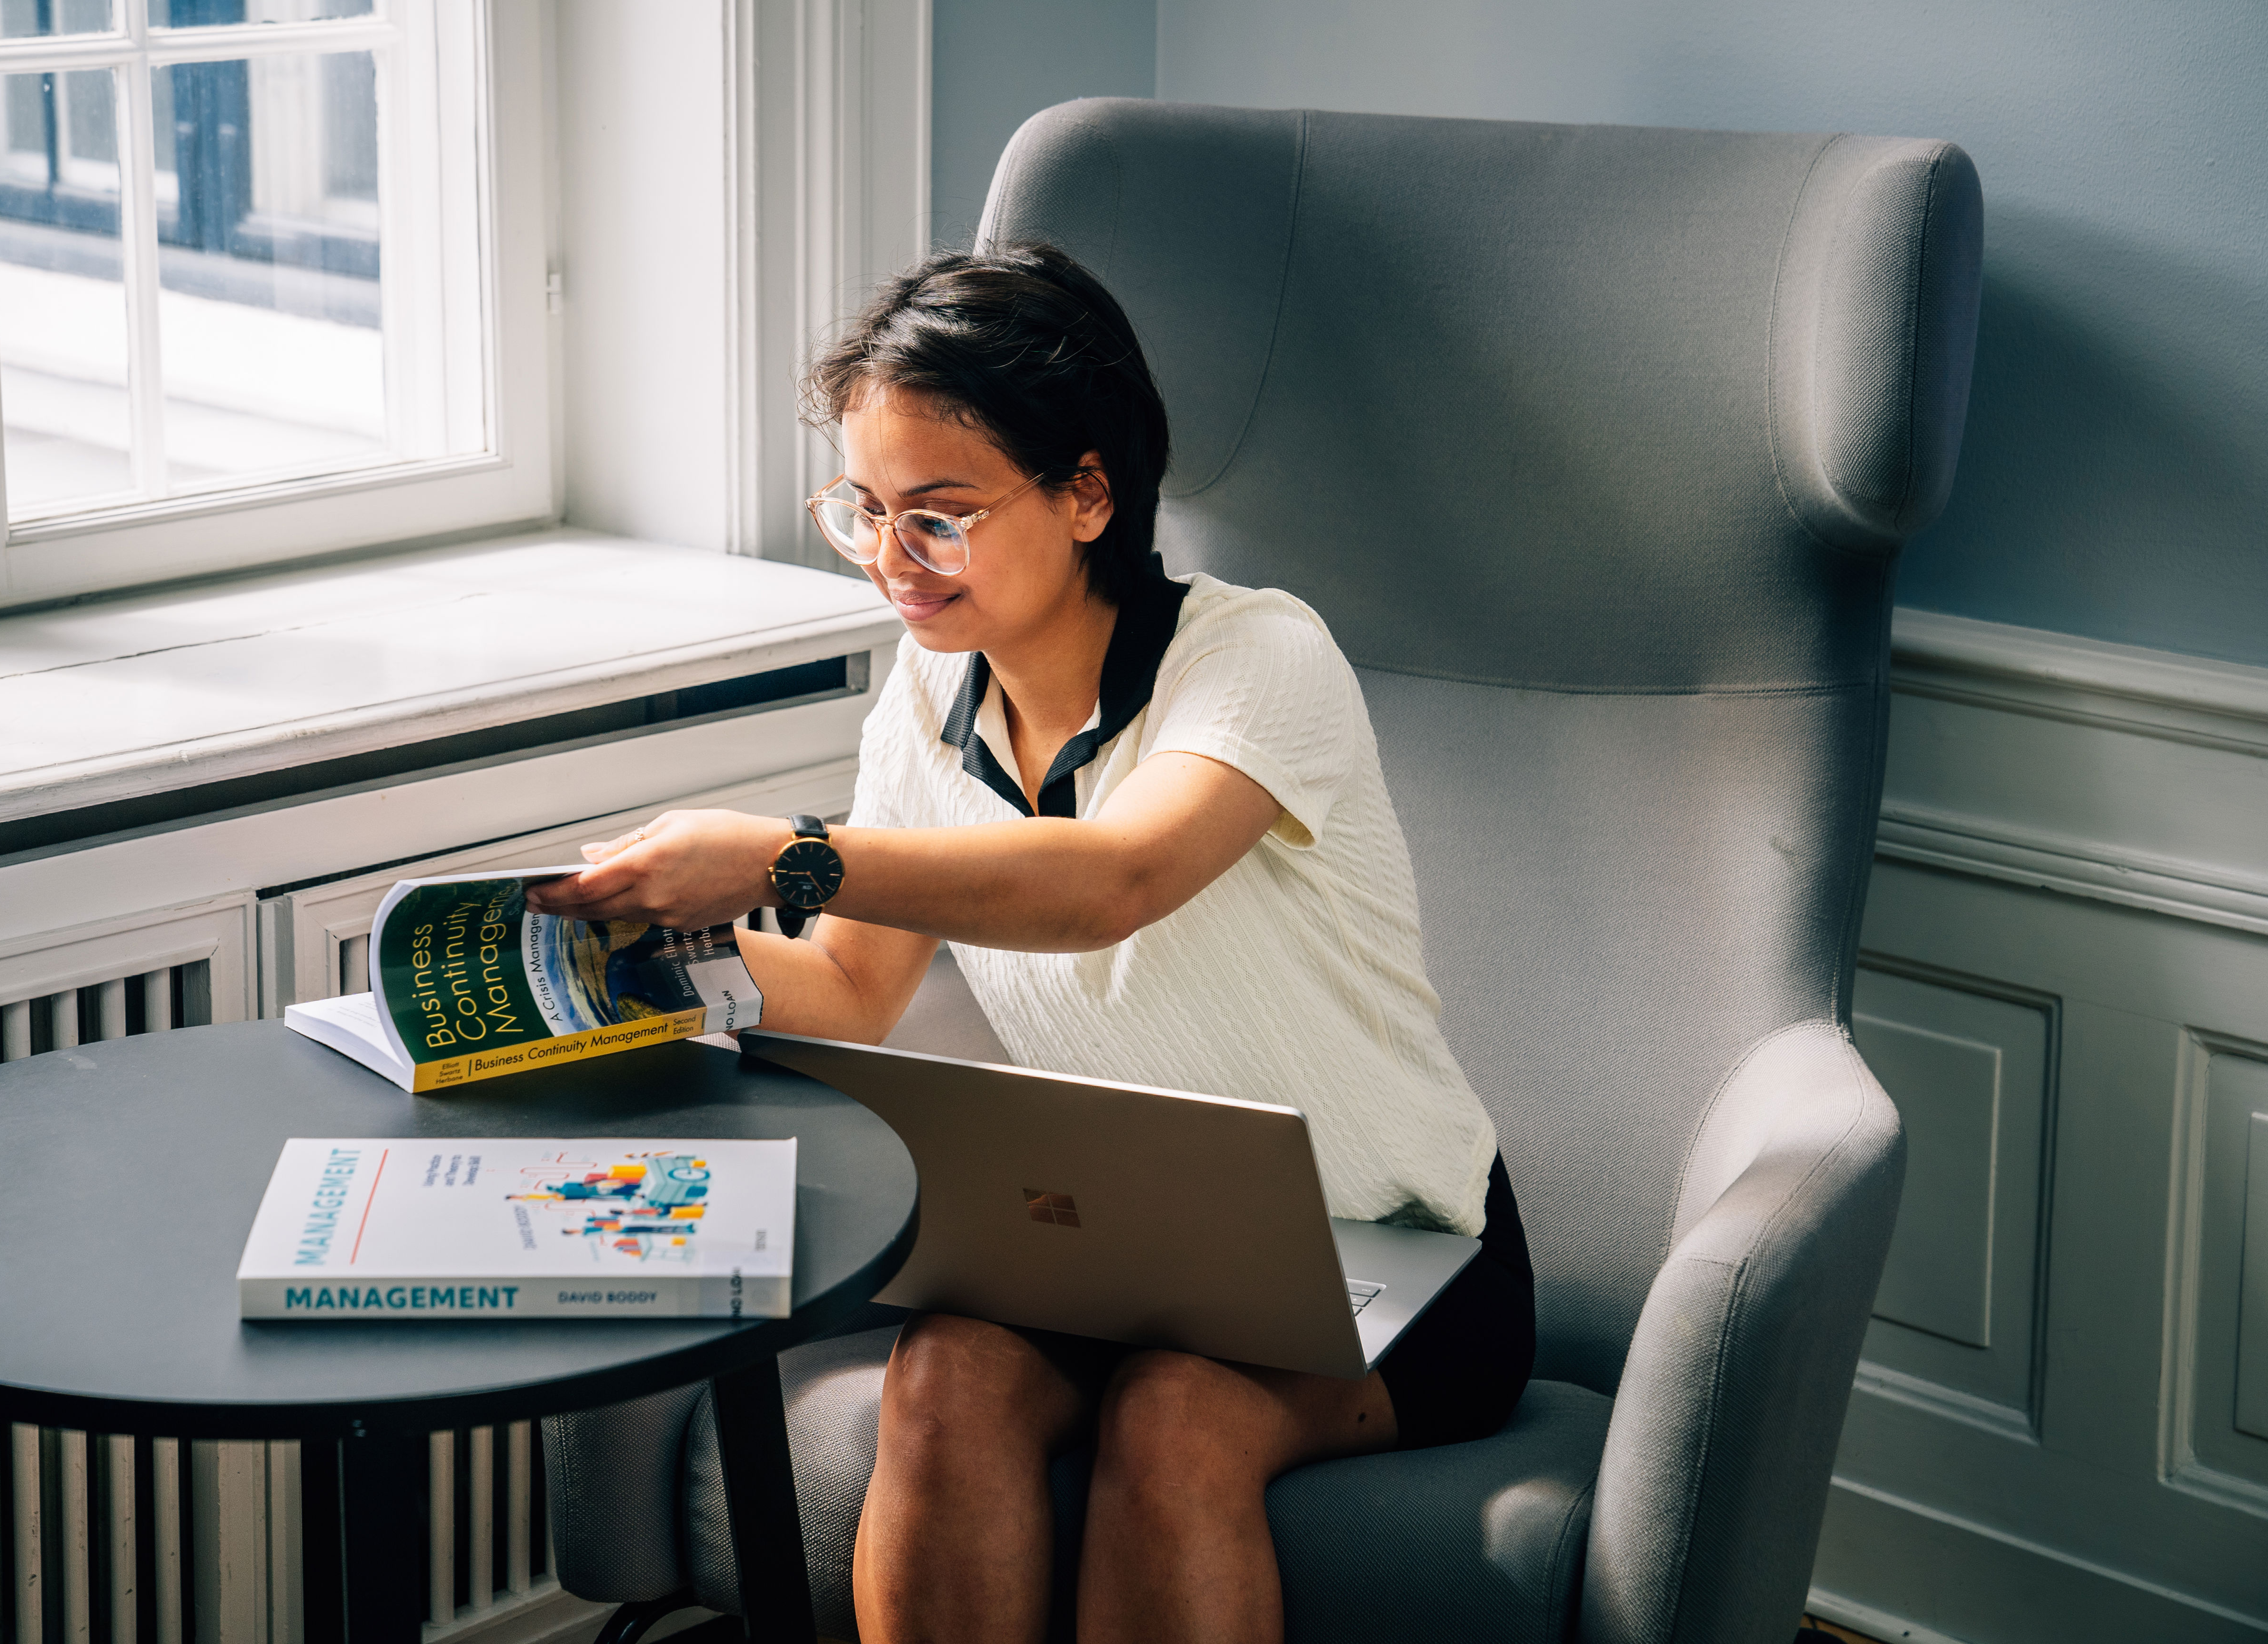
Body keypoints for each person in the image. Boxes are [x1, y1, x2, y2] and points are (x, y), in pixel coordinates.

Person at [528, 245, 1531, 1644]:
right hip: (1131, 1245)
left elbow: (1113, 880)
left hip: (1402, 1254)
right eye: (864, 510)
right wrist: (638, 954)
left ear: (1085, 494)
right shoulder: (926, 691)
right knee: (938, 1382)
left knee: (1180, 1420)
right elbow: (850, 988)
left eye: (939, 516)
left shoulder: (1257, 659)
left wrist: (775, 857)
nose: (892, 560)